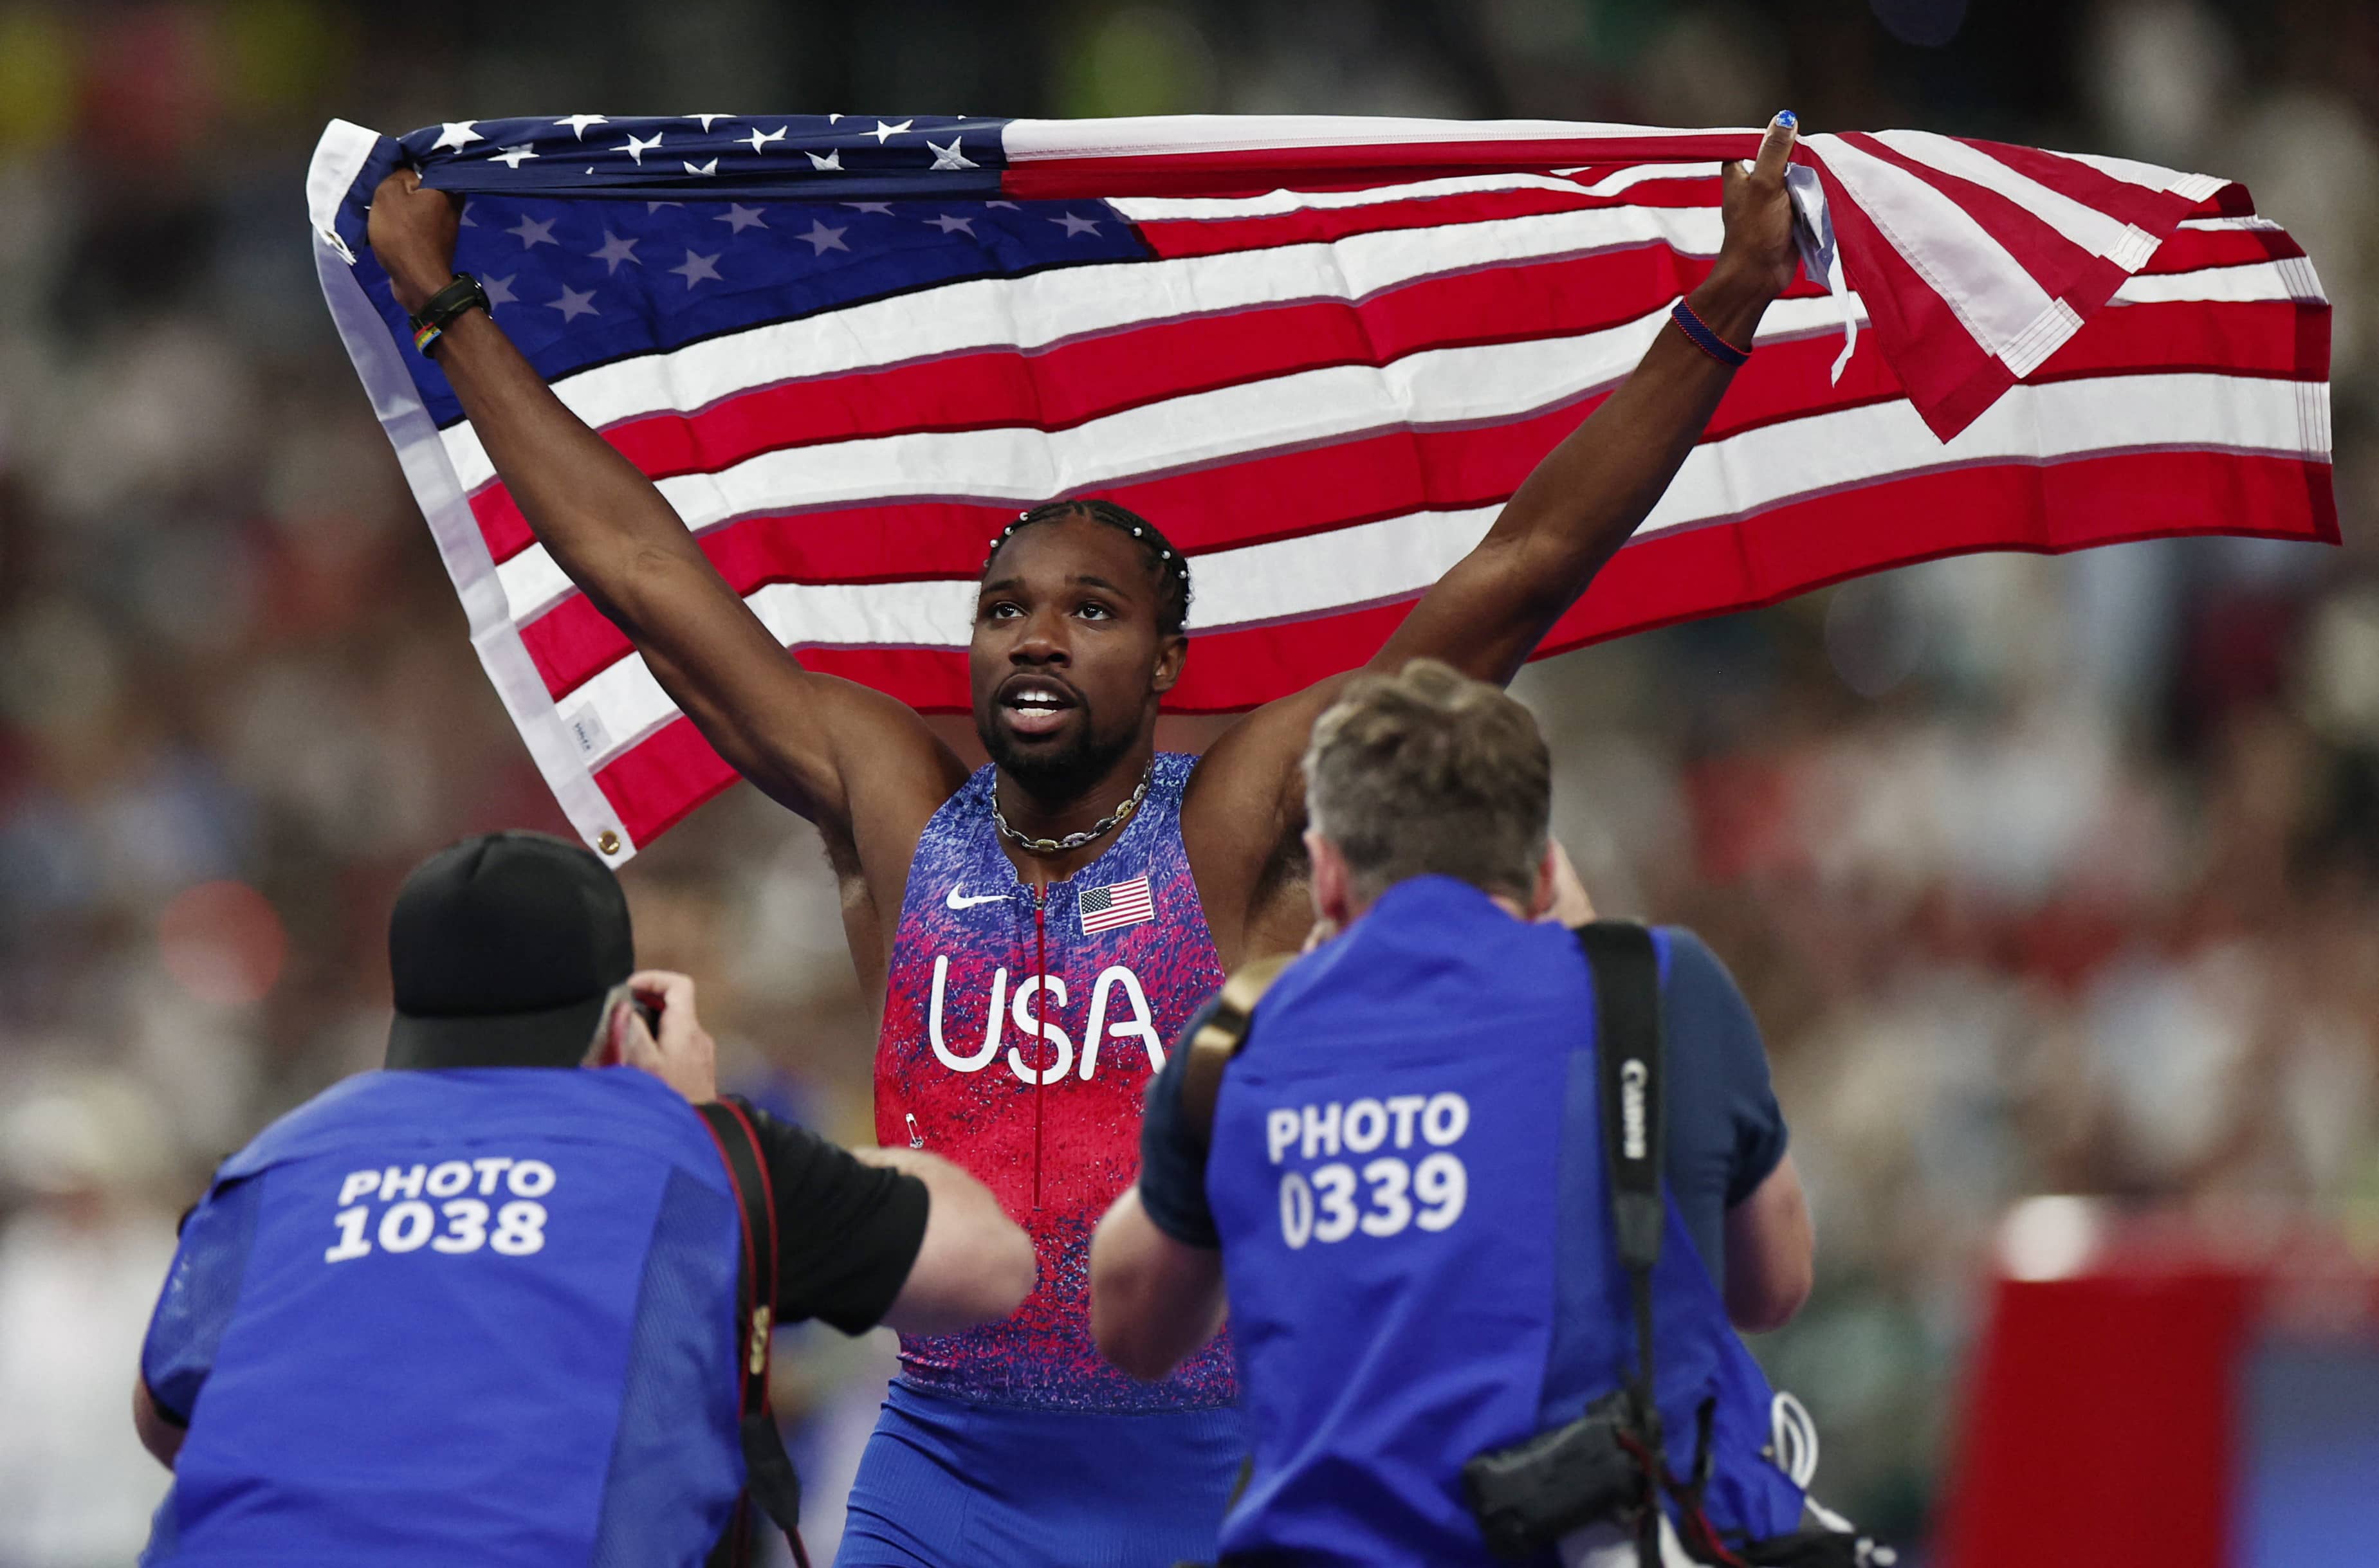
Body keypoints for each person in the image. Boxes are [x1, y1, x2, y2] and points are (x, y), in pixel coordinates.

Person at [362, 109, 1808, 1567]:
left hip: (1217, 1466)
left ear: (1167, 664)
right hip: (945, 1469)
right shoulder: (893, 801)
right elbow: (639, 568)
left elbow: (1519, 569)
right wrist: (449, 308)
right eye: (1005, 611)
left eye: (1089, 612)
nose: (1036, 640)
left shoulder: (1237, 818)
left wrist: (1722, 308)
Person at [131, 831, 1033, 1567]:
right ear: (627, 1015)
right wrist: (700, 1112)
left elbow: (168, 1419)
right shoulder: (694, 1153)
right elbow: (990, 1263)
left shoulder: (276, 1158)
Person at [1088, 661, 1821, 1565]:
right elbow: (1773, 1283)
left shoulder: (1234, 1043)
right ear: (1546, 868)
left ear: (1325, 877)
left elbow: (1132, 1330)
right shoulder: (1661, 991)